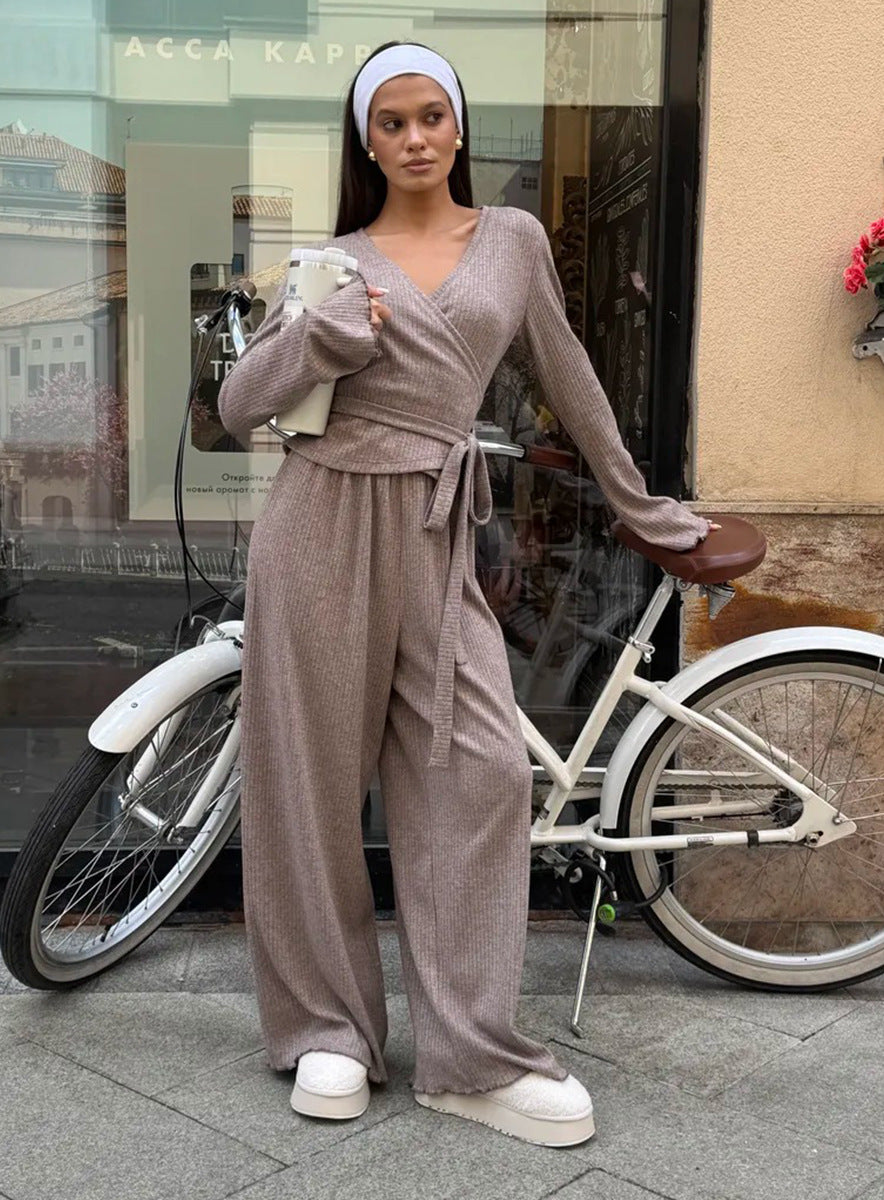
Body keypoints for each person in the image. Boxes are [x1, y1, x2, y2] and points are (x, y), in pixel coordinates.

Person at [217, 39, 719, 1149]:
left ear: (457, 125)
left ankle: (470, 1053)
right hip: (319, 526)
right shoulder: (333, 262)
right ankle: (328, 1032)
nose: (413, 138)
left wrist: (641, 508)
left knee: (482, 773)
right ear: (367, 139)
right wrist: (320, 342)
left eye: (429, 116)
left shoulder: (513, 240)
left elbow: (573, 377)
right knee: (305, 786)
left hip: (440, 533)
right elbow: (238, 404)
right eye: (389, 122)